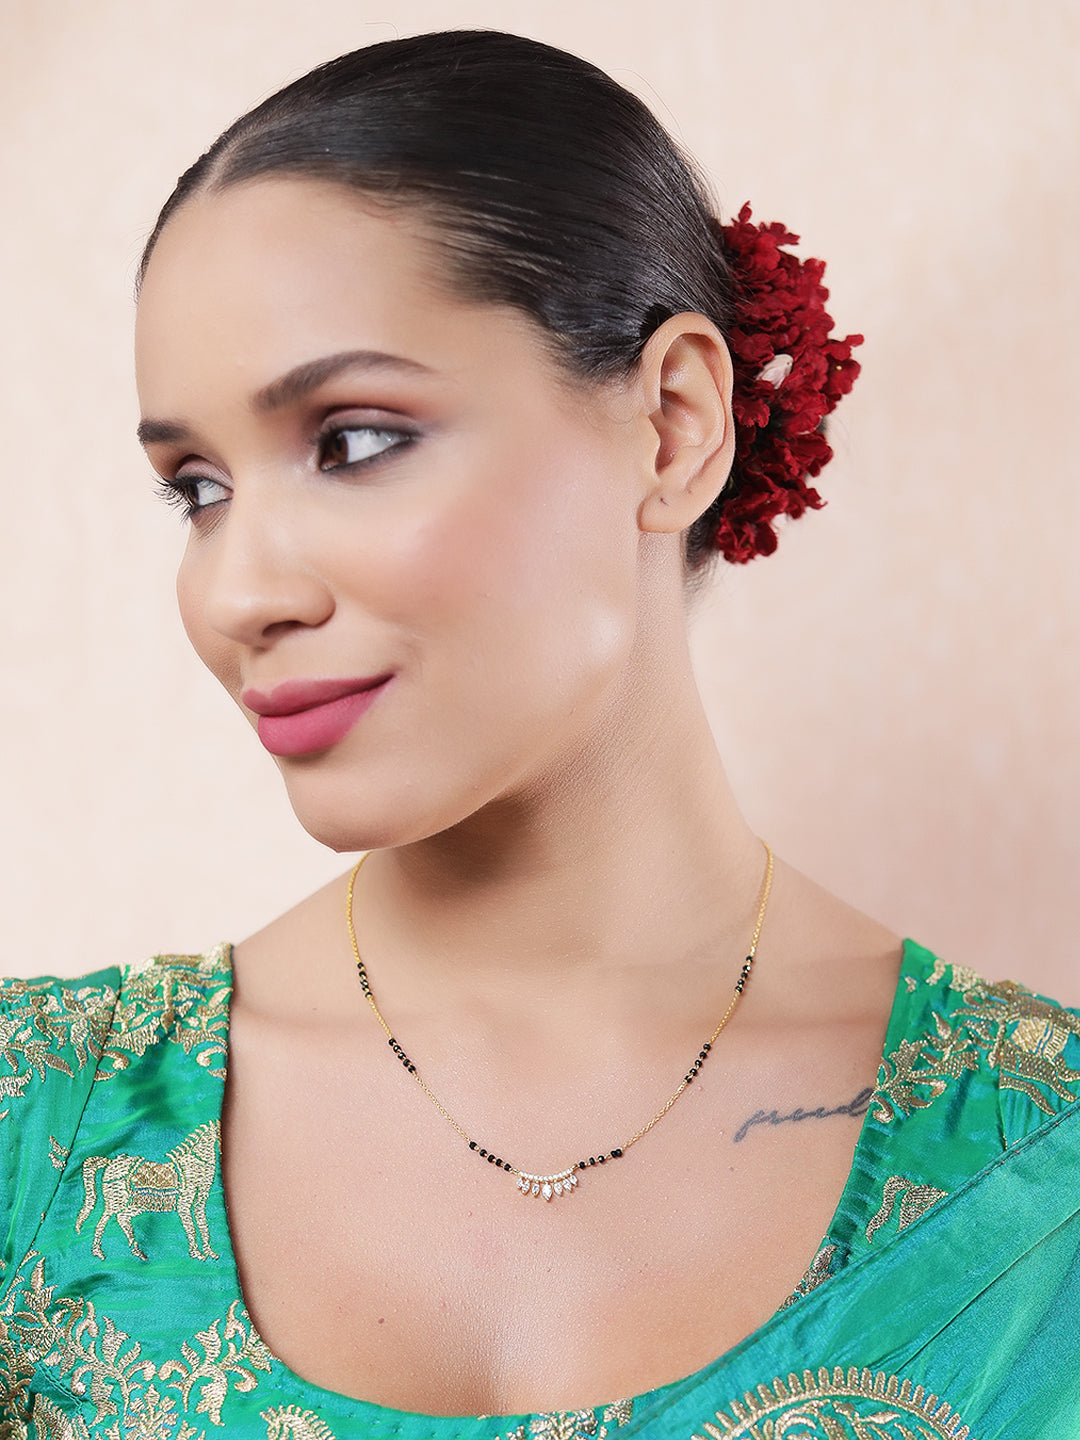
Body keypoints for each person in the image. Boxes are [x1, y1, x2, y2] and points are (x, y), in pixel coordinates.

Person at [1, 28, 1078, 1440]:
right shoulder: (41, 1135)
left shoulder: (1042, 1175)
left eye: (354, 439)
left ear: (674, 425)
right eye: (195, 488)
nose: (237, 592)